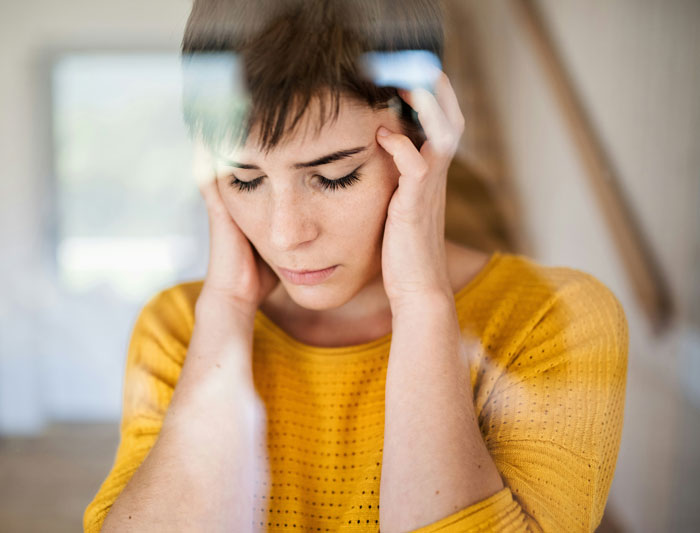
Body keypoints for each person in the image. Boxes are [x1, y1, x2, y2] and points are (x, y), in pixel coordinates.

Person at [84, 1, 629, 531]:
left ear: (425, 135)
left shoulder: (553, 320)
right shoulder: (179, 327)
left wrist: (421, 300)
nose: (285, 234)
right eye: (244, 179)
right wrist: (225, 311)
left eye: (335, 175)